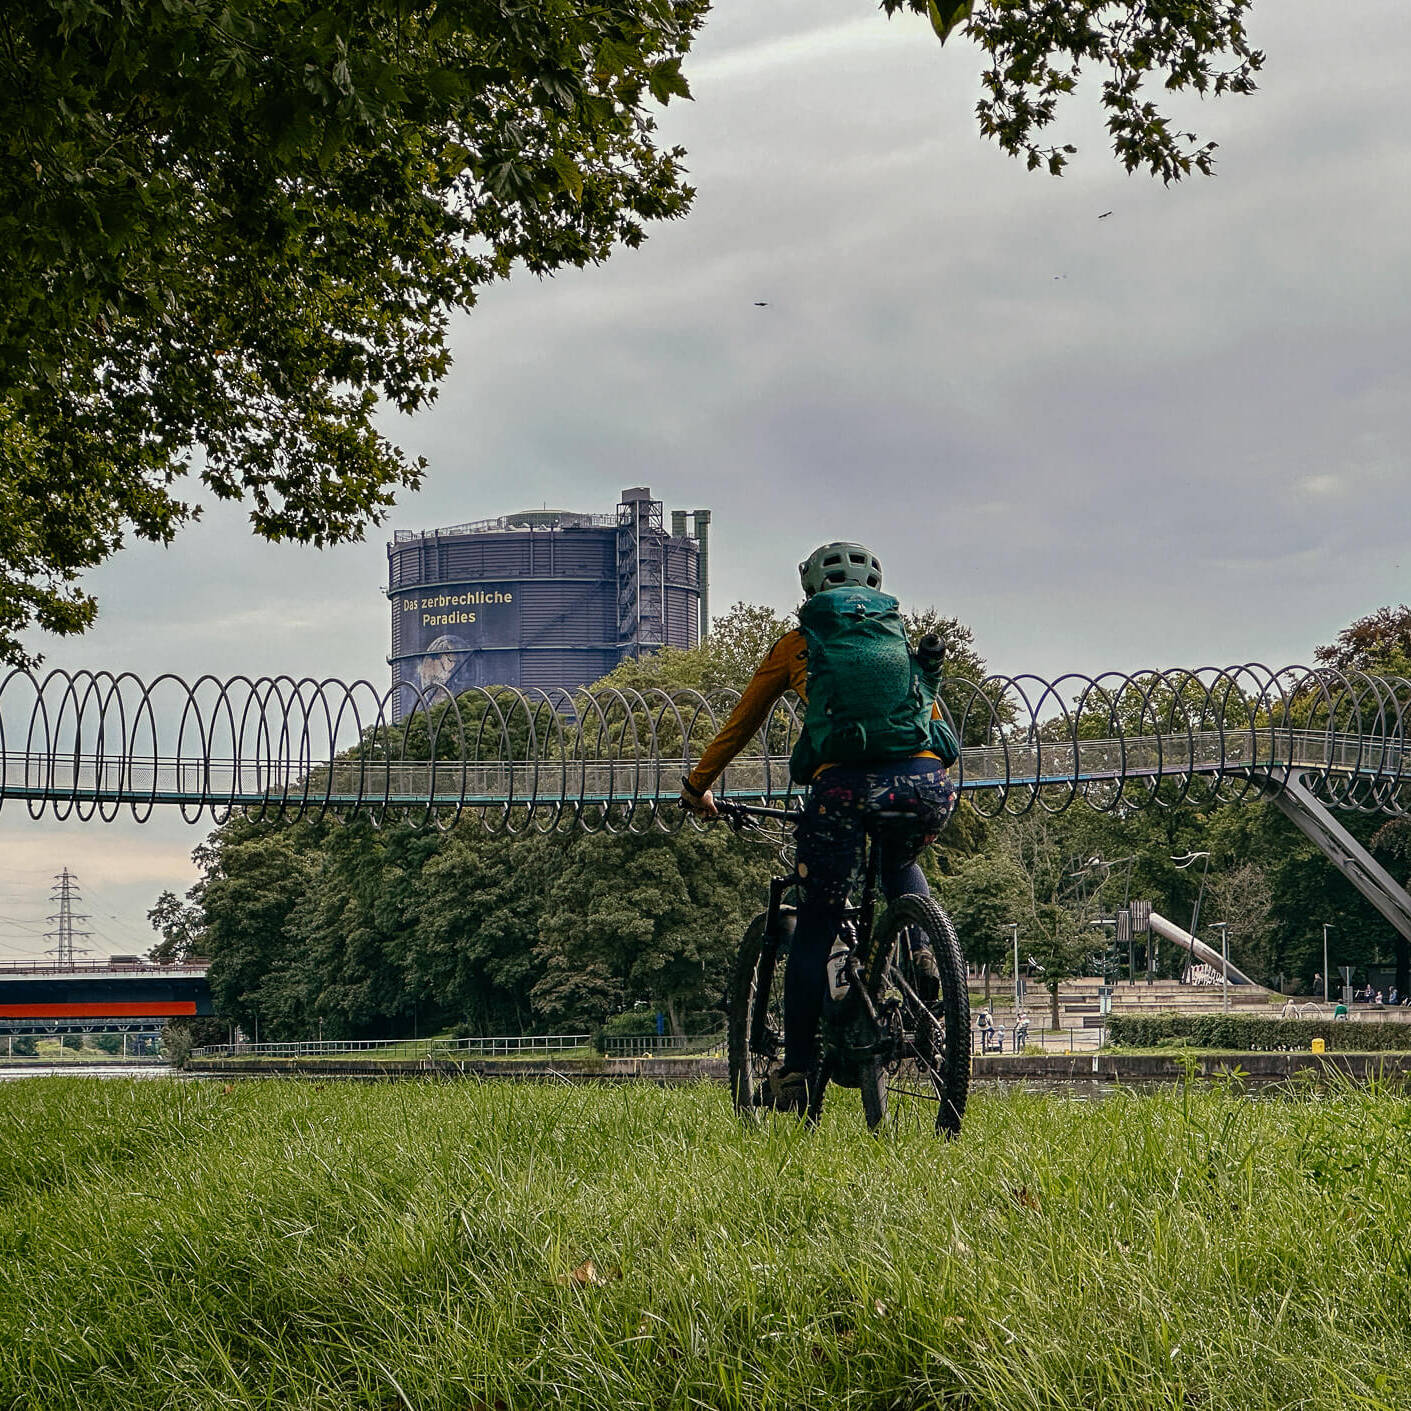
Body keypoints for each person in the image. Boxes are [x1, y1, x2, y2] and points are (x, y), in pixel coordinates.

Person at [679, 542, 957, 1111]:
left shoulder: (797, 645)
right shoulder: (896, 643)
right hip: (926, 785)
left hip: (842, 791)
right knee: (899, 863)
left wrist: (696, 786)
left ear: (810, 593)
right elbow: (931, 725)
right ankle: (923, 950)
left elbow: (742, 722)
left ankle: (798, 1071)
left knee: (815, 924)